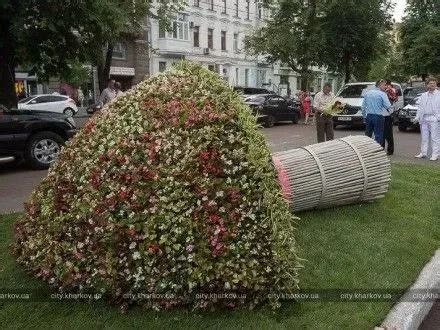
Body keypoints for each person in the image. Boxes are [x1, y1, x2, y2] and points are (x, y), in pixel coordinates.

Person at [414, 77, 440, 161]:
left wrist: (438, 117)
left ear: (436, 85)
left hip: (434, 118)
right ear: (427, 85)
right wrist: (417, 117)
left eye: (434, 83)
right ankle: (423, 153)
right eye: (430, 83)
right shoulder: (423, 95)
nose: (432, 85)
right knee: (424, 137)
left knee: (434, 137)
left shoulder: (439, 94)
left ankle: (435, 154)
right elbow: (420, 107)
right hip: (424, 118)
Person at [362, 79, 391, 145]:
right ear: (380, 85)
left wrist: (364, 117)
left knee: (368, 135)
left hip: (369, 116)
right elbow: (388, 106)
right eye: (384, 85)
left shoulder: (368, 93)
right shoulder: (382, 94)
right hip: (378, 116)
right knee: (378, 135)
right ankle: (377, 151)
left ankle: (366, 149)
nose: (385, 87)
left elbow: (363, 107)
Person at [382, 80, 398, 155]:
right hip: (382, 114)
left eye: (386, 85)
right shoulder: (383, 92)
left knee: (388, 133)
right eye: (384, 85)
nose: (385, 86)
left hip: (388, 114)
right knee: (381, 133)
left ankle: (390, 150)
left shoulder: (391, 91)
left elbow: (394, 99)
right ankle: (381, 148)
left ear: (389, 85)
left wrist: (388, 92)